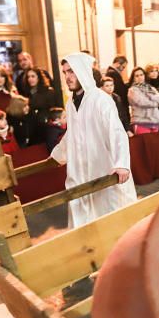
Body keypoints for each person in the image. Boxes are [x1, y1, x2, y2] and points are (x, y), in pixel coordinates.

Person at [50, 52, 136, 228]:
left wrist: (121, 163)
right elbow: (72, 134)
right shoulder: (71, 103)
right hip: (81, 171)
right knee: (84, 217)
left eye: (72, 72)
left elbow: (116, 132)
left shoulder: (100, 100)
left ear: (82, 71)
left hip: (103, 167)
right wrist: (58, 155)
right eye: (65, 72)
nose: (67, 77)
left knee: (110, 214)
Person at [26, 68, 63, 145]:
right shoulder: (29, 92)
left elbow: (53, 109)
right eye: (28, 77)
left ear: (38, 77)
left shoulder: (48, 91)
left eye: (33, 76)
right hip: (34, 128)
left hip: (46, 126)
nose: (30, 79)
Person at [127, 66, 159, 134]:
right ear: (133, 78)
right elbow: (142, 103)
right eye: (137, 76)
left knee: (154, 144)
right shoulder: (132, 90)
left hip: (155, 121)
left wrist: (151, 97)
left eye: (141, 75)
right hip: (141, 122)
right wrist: (157, 103)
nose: (140, 77)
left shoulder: (149, 87)